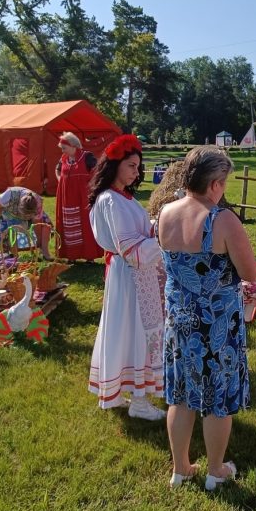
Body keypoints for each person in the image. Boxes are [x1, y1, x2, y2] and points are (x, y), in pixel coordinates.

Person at [158, 147, 256, 490]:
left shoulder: (165, 214)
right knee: (218, 397)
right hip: (216, 323)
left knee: (181, 394)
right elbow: (251, 272)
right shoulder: (222, 219)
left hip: (179, 320)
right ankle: (216, 471)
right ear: (215, 183)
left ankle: (180, 468)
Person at [87, 134, 166, 421]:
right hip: (129, 272)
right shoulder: (111, 200)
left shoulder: (121, 197)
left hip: (129, 273)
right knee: (135, 331)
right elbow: (129, 248)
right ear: (115, 165)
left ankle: (121, 390)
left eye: (137, 166)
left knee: (124, 330)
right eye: (131, 165)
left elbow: (135, 234)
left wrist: (157, 224)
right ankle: (139, 400)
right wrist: (165, 238)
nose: (136, 171)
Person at [53, 132, 101, 261]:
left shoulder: (87, 157)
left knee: (85, 223)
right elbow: (57, 170)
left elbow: (97, 169)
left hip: (82, 196)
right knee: (69, 224)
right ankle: (71, 255)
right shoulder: (63, 159)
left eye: (64, 148)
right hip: (67, 197)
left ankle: (89, 256)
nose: (62, 151)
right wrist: (61, 180)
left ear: (73, 146)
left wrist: (91, 184)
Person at [0, 187, 54, 260]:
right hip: (8, 215)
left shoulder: (37, 204)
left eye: (29, 215)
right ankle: (13, 257)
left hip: (27, 220)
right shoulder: (10, 195)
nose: (25, 216)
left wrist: (38, 241)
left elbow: (37, 224)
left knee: (45, 225)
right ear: (19, 205)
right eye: (25, 214)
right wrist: (5, 213)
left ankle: (45, 253)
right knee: (8, 232)